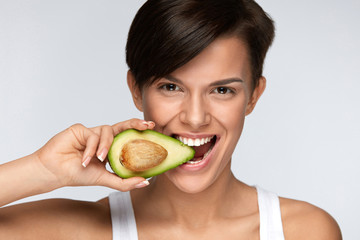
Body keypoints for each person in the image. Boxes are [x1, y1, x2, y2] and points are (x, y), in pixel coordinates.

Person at [0, 0, 342, 239]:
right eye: (171, 86)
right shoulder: (85, 231)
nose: (195, 118)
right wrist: (43, 170)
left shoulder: (305, 231)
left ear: (253, 95)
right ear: (137, 89)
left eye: (222, 90)